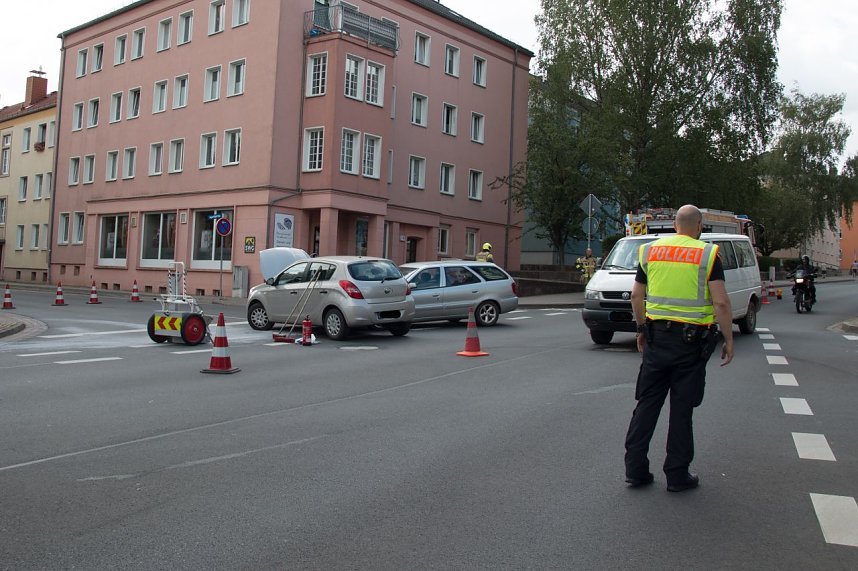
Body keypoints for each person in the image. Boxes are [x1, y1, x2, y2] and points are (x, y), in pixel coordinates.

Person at [624, 205, 734, 493]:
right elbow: (721, 303)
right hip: (690, 344)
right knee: (682, 410)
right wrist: (728, 339)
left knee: (647, 404)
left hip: (657, 339)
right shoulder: (707, 254)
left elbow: (637, 296)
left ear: (675, 224)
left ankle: (635, 469)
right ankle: (676, 474)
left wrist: (641, 329)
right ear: (699, 226)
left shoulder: (650, 251)